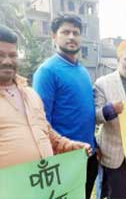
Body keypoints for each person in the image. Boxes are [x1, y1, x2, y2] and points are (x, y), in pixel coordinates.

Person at [0, 25, 90, 169]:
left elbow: (45, 129)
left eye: (12, 55)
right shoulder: (47, 71)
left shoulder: (29, 94)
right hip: (9, 188)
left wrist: (67, 145)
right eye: (1, 55)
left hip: (42, 183)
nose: (7, 61)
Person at [32, 14, 98, 199]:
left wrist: (94, 146)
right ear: (54, 36)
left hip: (88, 155)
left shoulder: (83, 71)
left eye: (76, 33)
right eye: (65, 32)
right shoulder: (46, 72)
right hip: (64, 159)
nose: (71, 37)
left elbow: (86, 112)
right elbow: (42, 123)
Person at [94, 40, 126, 199]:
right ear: (118, 60)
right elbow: (95, 116)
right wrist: (110, 110)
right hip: (116, 155)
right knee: (116, 195)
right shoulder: (103, 83)